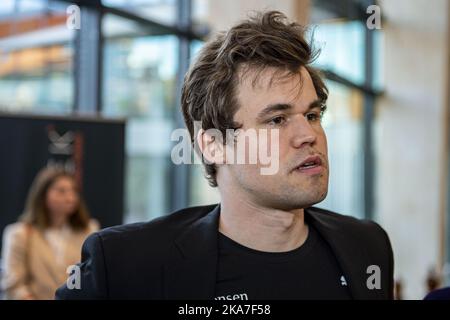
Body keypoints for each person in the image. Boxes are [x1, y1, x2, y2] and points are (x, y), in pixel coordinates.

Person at [56, 11, 394, 300]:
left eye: (312, 115)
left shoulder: (367, 246)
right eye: (276, 120)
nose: (309, 135)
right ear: (213, 144)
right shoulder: (124, 267)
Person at [1, 167, 99, 299]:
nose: (70, 197)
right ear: (42, 194)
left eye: (73, 191)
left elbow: (94, 279)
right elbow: (13, 285)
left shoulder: (90, 230)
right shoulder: (19, 234)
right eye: (61, 191)